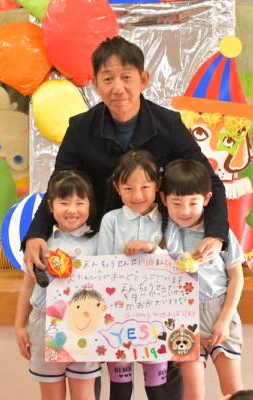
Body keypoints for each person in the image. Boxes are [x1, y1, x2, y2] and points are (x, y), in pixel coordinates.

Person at [21, 34, 229, 281]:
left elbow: (210, 181)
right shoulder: (80, 128)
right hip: (100, 240)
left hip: (159, 238)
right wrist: (35, 234)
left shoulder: (169, 125)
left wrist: (216, 234)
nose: (118, 88)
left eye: (126, 77)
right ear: (96, 85)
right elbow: (59, 186)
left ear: (143, 80)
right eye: (108, 79)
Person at [159, 159, 245, 400]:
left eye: (193, 203)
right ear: (164, 199)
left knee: (234, 391)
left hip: (219, 313)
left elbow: (236, 277)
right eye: (176, 203)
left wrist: (224, 321)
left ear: (207, 199)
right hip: (182, 318)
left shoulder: (219, 234)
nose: (185, 211)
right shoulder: (162, 232)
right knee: (194, 393)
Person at [15, 171, 101, 400]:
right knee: (51, 396)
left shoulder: (99, 242)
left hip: (84, 325)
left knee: (84, 395)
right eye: (64, 202)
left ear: (90, 206)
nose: (72, 210)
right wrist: (19, 325)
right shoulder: (39, 244)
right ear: (51, 206)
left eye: (80, 203)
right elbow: (27, 287)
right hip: (43, 325)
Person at [97, 150, 169, 400]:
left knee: (158, 391)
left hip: (158, 317)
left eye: (145, 187)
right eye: (128, 188)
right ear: (117, 187)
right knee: (120, 390)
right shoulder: (111, 220)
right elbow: (102, 267)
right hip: (118, 318)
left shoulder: (169, 217)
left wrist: (153, 249)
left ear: (158, 184)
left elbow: (180, 266)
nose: (137, 195)